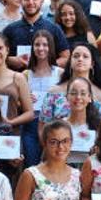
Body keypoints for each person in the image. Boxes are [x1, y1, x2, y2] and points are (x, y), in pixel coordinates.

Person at [4, 0, 71, 71]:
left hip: (47, 82)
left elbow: (66, 57)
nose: (31, 2)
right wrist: (10, 60)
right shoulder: (10, 30)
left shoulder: (54, 28)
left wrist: (46, 66)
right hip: (17, 81)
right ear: (21, 1)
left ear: (41, 1)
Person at [23, 30, 64, 166]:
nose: (41, 48)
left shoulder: (60, 73)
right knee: (32, 165)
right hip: (32, 126)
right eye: (37, 45)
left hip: (54, 125)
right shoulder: (25, 74)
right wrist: (24, 99)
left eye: (45, 45)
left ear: (51, 47)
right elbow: (18, 103)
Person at [0, 33, 35, 129]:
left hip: (10, 136)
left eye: (0, 48)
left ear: (7, 50)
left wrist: (11, 122)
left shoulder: (19, 78)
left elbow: (30, 113)